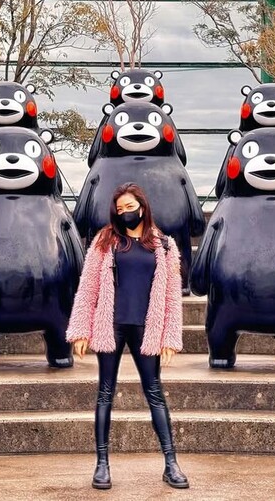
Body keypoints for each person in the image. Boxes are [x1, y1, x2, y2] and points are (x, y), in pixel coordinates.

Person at [67, 182, 188, 490]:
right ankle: (102, 465)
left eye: (129, 207)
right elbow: (88, 288)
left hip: (146, 328)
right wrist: (81, 330)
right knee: (105, 393)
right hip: (111, 325)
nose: (125, 213)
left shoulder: (163, 245)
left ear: (142, 207)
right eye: (119, 209)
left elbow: (173, 294)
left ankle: (171, 463)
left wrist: (170, 337)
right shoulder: (106, 241)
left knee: (155, 393)